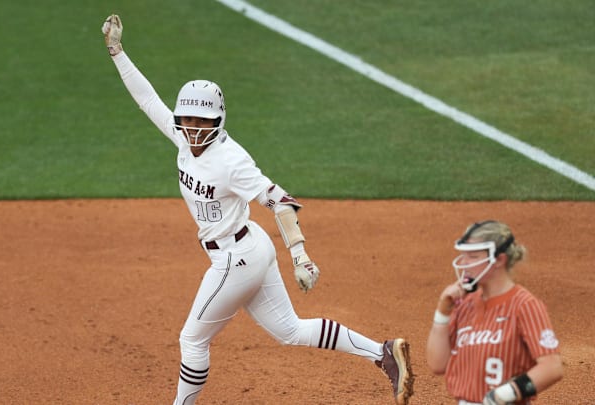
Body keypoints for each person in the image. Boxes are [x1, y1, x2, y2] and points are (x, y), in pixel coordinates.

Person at [101, 13, 414, 405]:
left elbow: (280, 201)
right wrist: (117, 52)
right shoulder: (182, 138)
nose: (194, 127)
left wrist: (300, 255)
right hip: (251, 248)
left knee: (192, 339)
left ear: (218, 120)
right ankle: (383, 353)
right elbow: (148, 100)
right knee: (289, 330)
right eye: (188, 119)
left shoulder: (232, 161)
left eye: (203, 120)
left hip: (236, 258)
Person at [426, 220, 563, 404]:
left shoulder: (525, 305)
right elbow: (437, 364)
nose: (464, 263)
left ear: (499, 260)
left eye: (473, 256)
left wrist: (506, 394)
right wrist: (442, 312)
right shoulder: (465, 304)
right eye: (464, 255)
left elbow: (552, 367)